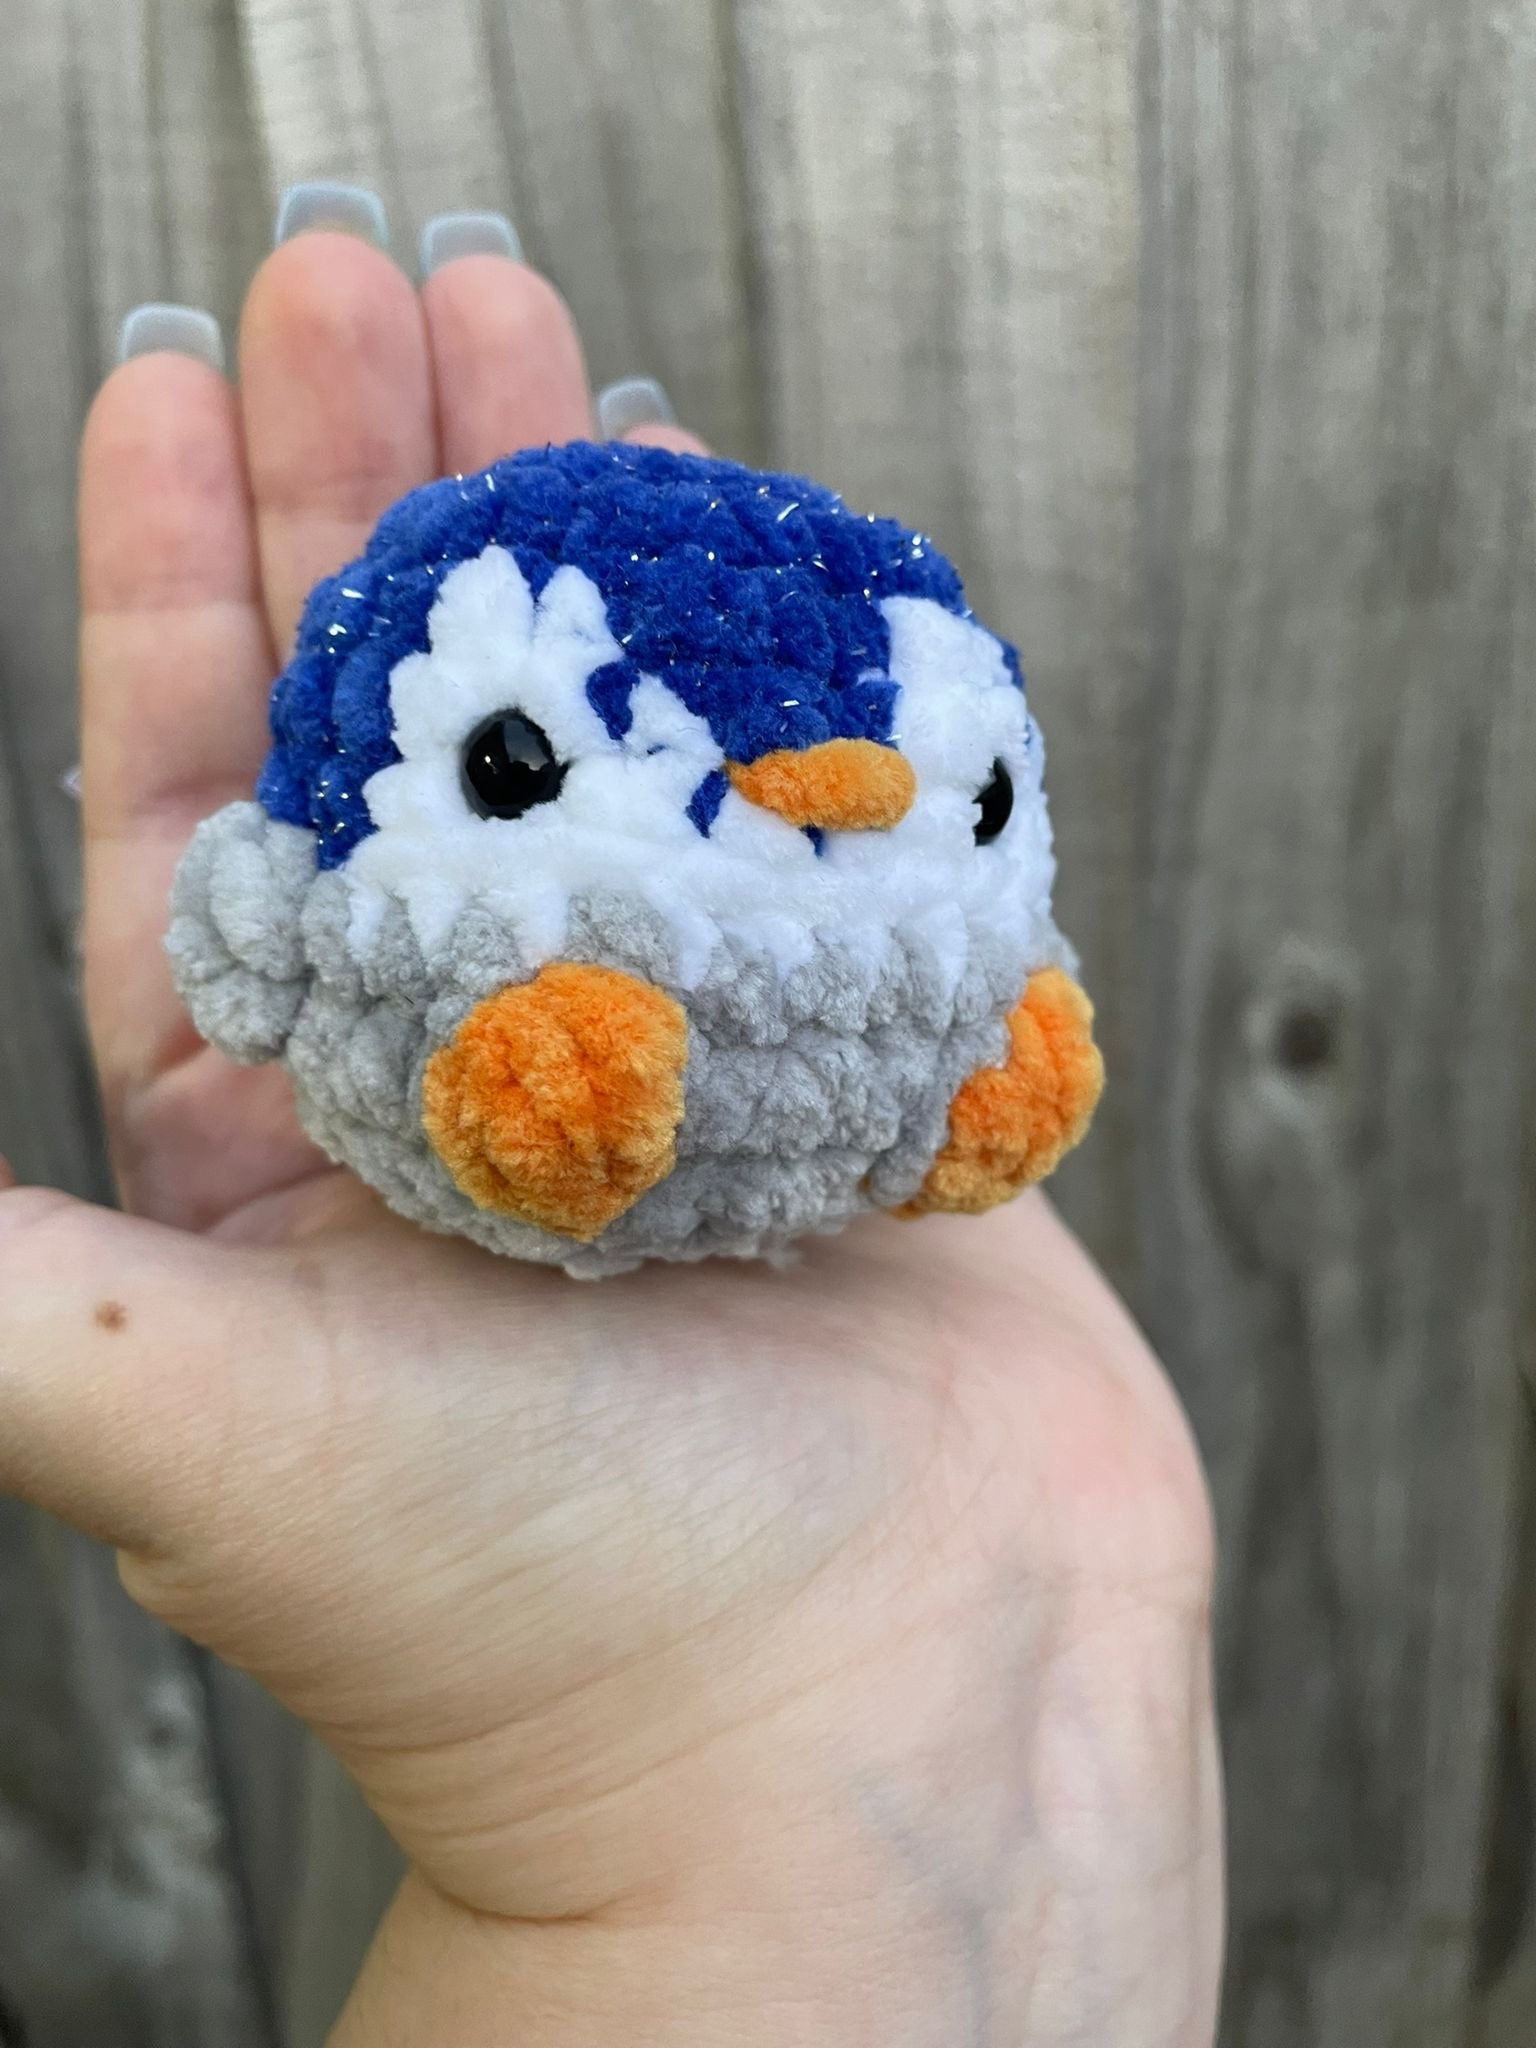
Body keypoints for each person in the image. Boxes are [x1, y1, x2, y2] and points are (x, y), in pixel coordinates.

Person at [0, 188, 1223, 2045]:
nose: (831, 789)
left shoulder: (918, 907)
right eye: (514, 765)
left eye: (964, 794)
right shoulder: (368, 892)